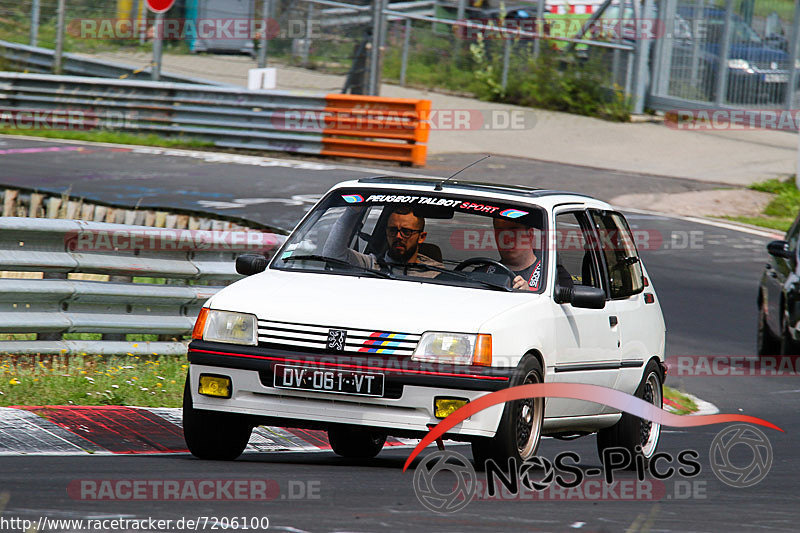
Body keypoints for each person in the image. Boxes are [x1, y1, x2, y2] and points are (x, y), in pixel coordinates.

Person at [322, 205, 442, 278]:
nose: (398, 236)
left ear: (421, 237)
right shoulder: (370, 265)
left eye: (406, 232)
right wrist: (353, 211)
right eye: (393, 230)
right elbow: (332, 254)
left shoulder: (437, 274)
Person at [489, 217, 544, 291]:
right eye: (500, 232)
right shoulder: (483, 274)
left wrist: (530, 295)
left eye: (513, 232)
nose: (506, 240)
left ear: (530, 234)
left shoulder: (550, 273)